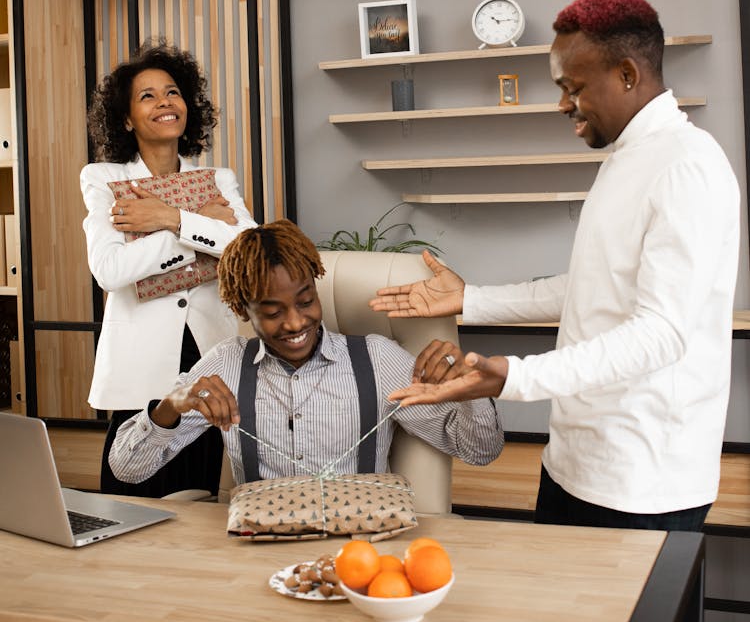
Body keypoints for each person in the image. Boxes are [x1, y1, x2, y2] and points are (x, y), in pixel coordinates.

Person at [373, 0, 740, 532]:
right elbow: (593, 286)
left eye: (573, 87)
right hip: (574, 464)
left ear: (627, 75)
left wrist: (510, 377)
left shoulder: (687, 167)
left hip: (641, 482)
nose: (562, 104)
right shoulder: (627, 159)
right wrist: (471, 300)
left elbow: (662, 332)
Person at [108, 219, 503, 487]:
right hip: (257, 555)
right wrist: (172, 405)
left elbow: (480, 451)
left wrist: (471, 388)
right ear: (240, 310)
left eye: (305, 301)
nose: (296, 323)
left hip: (359, 551)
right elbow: (128, 470)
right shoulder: (226, 363)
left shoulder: (378, 359)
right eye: (273, 311)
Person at [82, 39, 256, 497]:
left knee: (196, 494)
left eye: (173, 92)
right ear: (126, 118)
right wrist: (197, 236)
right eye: (147, 96)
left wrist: (168, 219)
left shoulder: (219, 179)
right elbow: (110, 270)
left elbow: (248, 249)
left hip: (208, 349)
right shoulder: (105, 179)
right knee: (128, 489)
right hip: (138, 357)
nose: (164, 102)